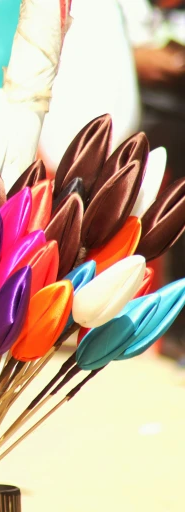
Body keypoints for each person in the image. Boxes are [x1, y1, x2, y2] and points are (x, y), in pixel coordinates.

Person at [117, 0, 185, 358]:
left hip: (177, 110)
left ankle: (173, 330)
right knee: (121, 209)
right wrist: (130, 58)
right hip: (128, 112)